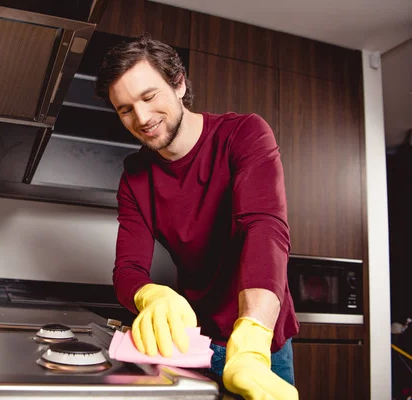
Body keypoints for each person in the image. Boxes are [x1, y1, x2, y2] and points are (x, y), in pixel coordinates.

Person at [95, 34, 300, 400]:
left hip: (259, 343)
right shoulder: (135, 175)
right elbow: (127, 269)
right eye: (125, 109)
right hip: (192, 343)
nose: (141, 118)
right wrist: (150, 296)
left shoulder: (244, 134)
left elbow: (265, 228)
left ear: (179, 83)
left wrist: (252, 337)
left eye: (148, 97)